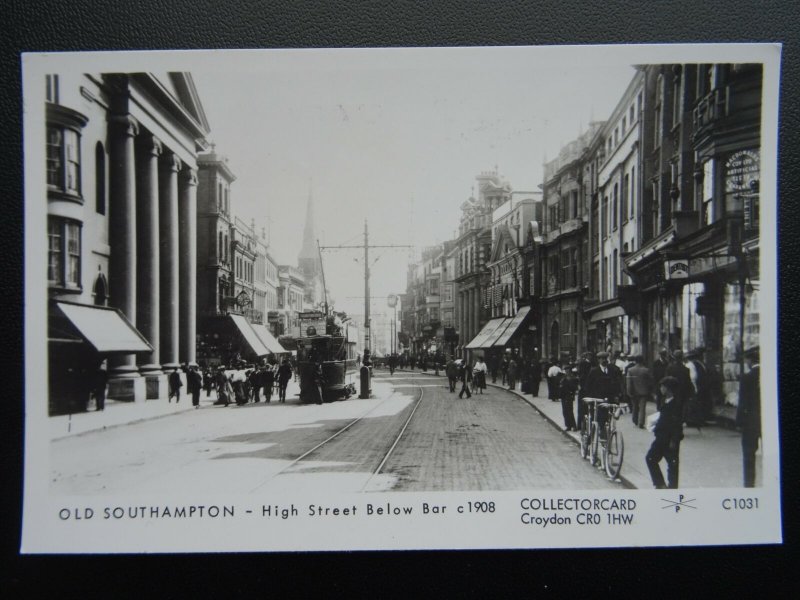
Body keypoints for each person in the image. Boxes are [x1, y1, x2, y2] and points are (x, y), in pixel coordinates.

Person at [645, 376, 684, 489]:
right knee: (651, 459)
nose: (661, 388)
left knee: (671, 464)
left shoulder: (676, 404)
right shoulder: (665, 401)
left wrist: (674, 440)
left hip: (669, 439)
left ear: (668, 388)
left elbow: (677, 425)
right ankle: (661, 484)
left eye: (662, 386)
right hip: (661, 437)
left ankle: (671, 487)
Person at [737, 346, 761, 487]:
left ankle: (749, 483)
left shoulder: (746, 378)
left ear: (750, 360)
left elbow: (743, 401)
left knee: (748, 453)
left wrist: (739, 421)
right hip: (765, 420)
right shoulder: (768, 375)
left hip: (750, 421)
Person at [583, 351, 622, 435]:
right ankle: (600, 432)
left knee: (610, 416)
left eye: (605, 358)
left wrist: (617, 395)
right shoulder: (594, 371)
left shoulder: (612, 370)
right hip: (598, 398)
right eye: (602, 359)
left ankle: (605, 432)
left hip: (610, 398)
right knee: (600, 417)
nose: (604, 360)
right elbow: (588, 386)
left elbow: (617, 383)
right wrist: (590, 398)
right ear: (598, 360)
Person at [626, 355, 655, 428]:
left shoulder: (630, 370)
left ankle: (635, 420)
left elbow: (629, 383)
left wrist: (629, 392)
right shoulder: (646, 370)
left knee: (635, 407)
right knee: (642, 408)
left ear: (635, 361)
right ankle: (641, 423)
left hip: (634, 392)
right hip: (644, 392)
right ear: (642, 361)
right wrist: (650, 391)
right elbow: (650, 381)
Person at [559, 367, 579, 431]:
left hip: (569, 396)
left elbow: (574, 388)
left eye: (568, 371)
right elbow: (560, 385)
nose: (567, 372)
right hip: (563, 396)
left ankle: (574, 425)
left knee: (569, 411)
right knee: (565, 412)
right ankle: (568, 425)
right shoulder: (564, 378)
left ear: (570, 371)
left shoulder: (573, 379)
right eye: (566, 371)